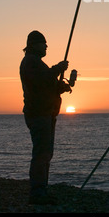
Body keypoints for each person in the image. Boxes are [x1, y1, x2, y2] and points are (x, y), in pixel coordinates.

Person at [20, 30, 72, 205]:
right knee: (42, 154)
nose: (46, 46)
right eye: (43, 43)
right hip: (39, 115)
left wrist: (60, 88)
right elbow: (41, 80)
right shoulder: (30, 62)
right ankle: (37, 193)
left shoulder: (36, 63)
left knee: (45, 154)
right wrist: (58, 68)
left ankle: (41, 191)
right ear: (34, 44)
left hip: (45, 114)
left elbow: (44, 86)